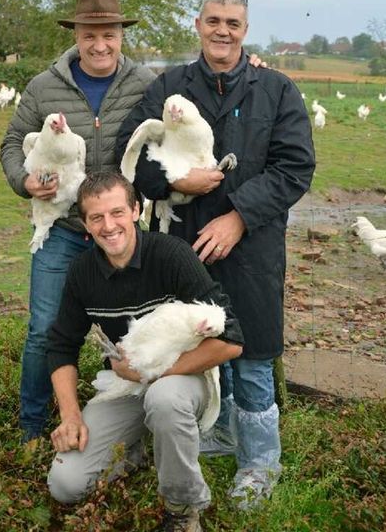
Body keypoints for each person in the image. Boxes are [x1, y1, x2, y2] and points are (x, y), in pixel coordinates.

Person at [115, 0, 315, 510]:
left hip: (252, 251)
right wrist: (177, 179)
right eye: (213, 21)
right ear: (198, 25)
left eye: (233, 22)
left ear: (245, 31)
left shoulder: (276, 89)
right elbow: (127, 154)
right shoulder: (169, 86)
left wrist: (239, 216)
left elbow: (295, 167)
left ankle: (259, 462)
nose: (223, 30)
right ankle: (220, 434)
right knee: (200, 346)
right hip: (182, 247)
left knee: (250, 355)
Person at [46, 171, 243, 532]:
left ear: (137, 209)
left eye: (118, 212)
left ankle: (183, 510)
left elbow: (230, 340)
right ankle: (139, 450)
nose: (109, 226)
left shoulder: (171, 255)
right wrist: (71, 415)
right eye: (97, 217)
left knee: (165, 399)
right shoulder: (82, 272)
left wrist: (151, 373)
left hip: (183, 379)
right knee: (65, 484)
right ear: (86, 226)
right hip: (126, 384)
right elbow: (61, 346)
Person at [0, 0, 155, 443]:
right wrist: (23, 181)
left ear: (121, 35)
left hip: (121, 233)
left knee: (131, 329)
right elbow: (12, 142)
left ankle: (128, 427)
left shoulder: (145, 83)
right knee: (44, 328)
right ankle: (31, 427)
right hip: (63, 229)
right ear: (77, 36)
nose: (100, 45)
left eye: (109, 34)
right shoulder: (44, 87)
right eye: (91, 35)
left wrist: (251, 66)